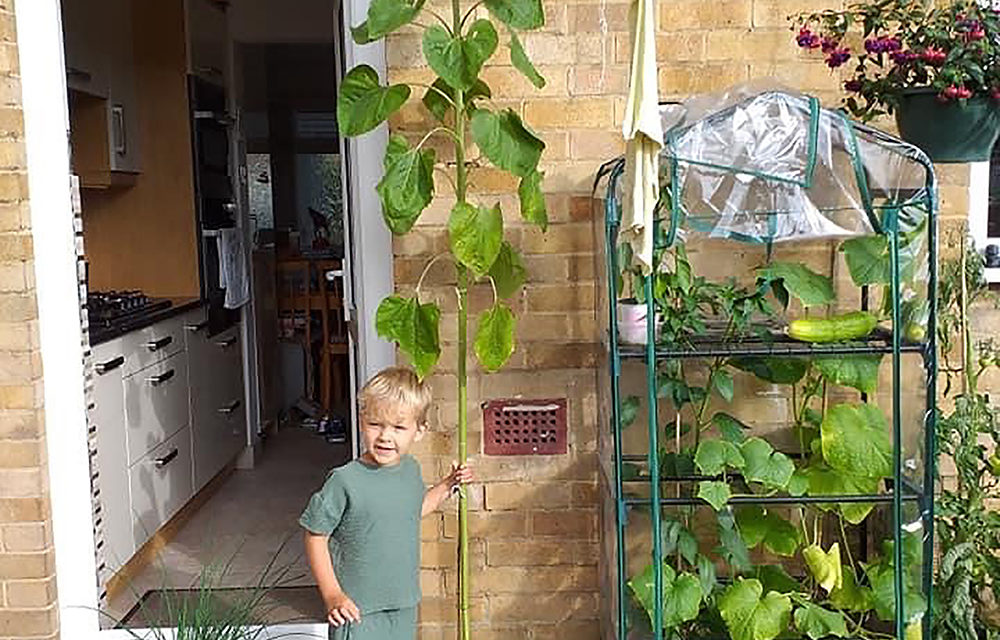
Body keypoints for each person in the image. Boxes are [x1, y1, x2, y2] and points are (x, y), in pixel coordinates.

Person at [300, 366, 473, 640]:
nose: (385, 436)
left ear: (419, 431)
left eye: (398, 427)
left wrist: (447, 485)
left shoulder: (411, 470)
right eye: (375, 424)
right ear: (361, 421)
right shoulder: (345, 481)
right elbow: (315, 535)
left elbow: (411, 511)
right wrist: (332, 594)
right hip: (356, 610)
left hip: (403, 604)